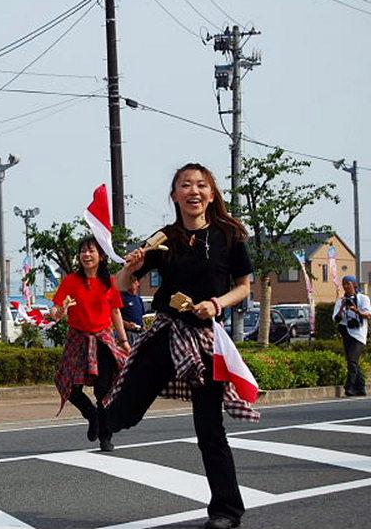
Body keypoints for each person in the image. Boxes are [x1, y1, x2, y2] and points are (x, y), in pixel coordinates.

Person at [104, 163, 258, 529]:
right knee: (124, 412)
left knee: (209, 428)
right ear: (174, 195)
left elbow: (244, 286)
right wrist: (132, 265)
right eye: (185, 185)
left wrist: (217, 303)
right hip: (165, 333)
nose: (194, 191)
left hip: (204, 338)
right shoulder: (164, 238)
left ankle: (226, 511)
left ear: (211, 193)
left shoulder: (229, 234)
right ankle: (105, 421)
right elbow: (121, 284)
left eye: (201, 185)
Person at [51, 236, 131, 452]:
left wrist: (123, 341)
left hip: (103, 340)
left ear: (101, 256)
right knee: (68, 385)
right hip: (78, 339)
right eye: (83, 251)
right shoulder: (71, 281)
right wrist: (59, 311)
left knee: (103, 391)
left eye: (91, 251)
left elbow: (115, 311)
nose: (86, 255)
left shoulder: (110, 282)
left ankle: (106, 435)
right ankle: (91, 415)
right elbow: (56, 309)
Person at [333, 275, 370, 396]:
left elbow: (368, 315)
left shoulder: (363, 299)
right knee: (351, 361)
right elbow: (335, 318)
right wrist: (343, 308)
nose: (345, 286)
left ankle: (349, 387)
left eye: (348, 283)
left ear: (355, 285)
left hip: (359, 334)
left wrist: (356, 310)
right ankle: (361, 388)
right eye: (343, 283)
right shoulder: (341, 300)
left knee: (353, 360)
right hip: (346, 332)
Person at [120, 277, 146, 345]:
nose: (136, 283)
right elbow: (115, 317)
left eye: (136, 281)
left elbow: (142, 317)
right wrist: (127, 324)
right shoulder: (121, 297)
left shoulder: (139, 299)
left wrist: (144, 327)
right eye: (133, 281)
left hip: (140, 333)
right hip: (128, 334)